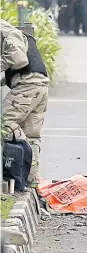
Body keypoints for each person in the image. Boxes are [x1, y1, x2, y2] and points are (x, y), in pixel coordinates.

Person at [1, 20, 49, 188]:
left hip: (27, 87)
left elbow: (19, 60)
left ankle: (13, 172)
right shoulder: (19, 35)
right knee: (32, 136)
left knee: (4, 123)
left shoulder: (8, 33)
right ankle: (31, 181)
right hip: (40, 86)